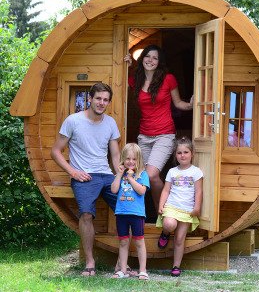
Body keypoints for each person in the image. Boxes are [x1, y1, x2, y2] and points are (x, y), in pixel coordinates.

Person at [51, 83, 135, 277]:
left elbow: (115, 156)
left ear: (109, 102)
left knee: (129, 210)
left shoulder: (111, 123)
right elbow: (55, 151)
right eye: (98, 98)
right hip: (83, 176)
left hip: (106, 175)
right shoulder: (73, 121)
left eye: (105, 100)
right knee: (86, 214)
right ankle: (90, 262)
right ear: (89, 99)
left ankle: (121, 263)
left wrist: (120, 176)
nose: (101, 103)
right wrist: (73, 172)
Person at [124, 44, 193, 212]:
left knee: (152, 175)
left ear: (159, 62)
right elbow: (116, 87)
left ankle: (165, 211)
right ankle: (159, 212)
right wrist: (124, 65)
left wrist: (192, 105)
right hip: (144, 136)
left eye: (155, 58)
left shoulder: (168, 79)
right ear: (142, 59)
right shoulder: (135, 80)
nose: (150, 60)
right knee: (148, 178)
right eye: (147, 56)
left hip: (164, 134)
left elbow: (178, 103)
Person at [155, 136, 203, 277]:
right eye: (179, 153)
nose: (183, 155)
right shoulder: (172, 172)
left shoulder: (196, 172)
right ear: (175, 155)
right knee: (169, 224)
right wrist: (161, 204)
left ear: (192, 154)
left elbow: (199, 191)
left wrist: (197, 207)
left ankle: (176, 266)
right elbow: (165, 190)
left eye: (186, 152)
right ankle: (165, 233)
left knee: (179, 239)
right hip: (172, 206)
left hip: (187, 210)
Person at [111, 143, 150, 280]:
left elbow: (141, 191)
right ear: (123, 159)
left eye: (134, 159)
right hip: (121, 213)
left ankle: (143, 270)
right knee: (123, 242)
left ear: (139, 160)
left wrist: (131, 178)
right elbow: (114, 189)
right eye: (127, 159)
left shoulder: (143, 175)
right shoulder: (121, 175)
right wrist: (120, 173)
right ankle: (122, 270)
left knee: (139, 242)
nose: (131, 162)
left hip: (137, 214)